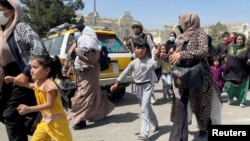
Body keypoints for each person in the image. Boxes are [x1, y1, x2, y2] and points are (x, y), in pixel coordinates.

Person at [161, 12, 222, 140]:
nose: (180, 24)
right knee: (181, 105)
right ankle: (180, 134)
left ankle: (204, 128)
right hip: (182, 76)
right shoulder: (181, 38)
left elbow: (203, 51)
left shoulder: (200, 33)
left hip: (199, 75)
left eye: (181, 21)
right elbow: (175, 58)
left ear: (189, 21)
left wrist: (182, 55)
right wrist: (164, 57)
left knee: (201, 105)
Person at [0, 0, 49, 141]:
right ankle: (39, 129)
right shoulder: (2, 33)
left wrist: (26, 72)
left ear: (12, 11)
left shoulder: (20, 27)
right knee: (7, 114)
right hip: (7, 81)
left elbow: (39, 49)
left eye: (0, 9)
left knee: (10, 115)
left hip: (24, 78)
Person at [4, 55, 73, 141]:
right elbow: (28, 85)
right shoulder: (38, 83)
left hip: (57, 123)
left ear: (47, 70)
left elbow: (49, 105)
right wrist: (14, 79)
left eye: (35, 67)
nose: (31, 70)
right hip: (45, 121)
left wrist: (29, 108)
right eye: (31, 67)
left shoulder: (50, 85)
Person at [64, 26, 115, 130]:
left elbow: (92, 58)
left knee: (83, 95)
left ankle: (80, 120)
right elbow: (69, 57)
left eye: (77, 31)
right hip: (79, 73)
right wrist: (65, 70)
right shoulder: (76, 42)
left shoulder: (90, 42)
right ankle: (103, 110)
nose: (75, 33)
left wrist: (79, 51)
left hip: (90, 72)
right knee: (93, 93)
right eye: (74, 31)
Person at [110, 38, 159, 141]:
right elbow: (125, 73)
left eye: (143, 48)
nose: (140, 50)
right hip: (138, 87)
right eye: (138, 48)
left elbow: (158, 65)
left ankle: (144, 133)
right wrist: (117, 83)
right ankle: (155, 123)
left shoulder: (150, 62)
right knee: (146, 108)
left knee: (144, 108)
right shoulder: (133, 63)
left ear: (146, 50)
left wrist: (159, 56)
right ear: (134, 50)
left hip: (147, 87)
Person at [130, 21, 160, 105]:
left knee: (149, 79)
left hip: (147, 61)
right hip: (138, 62)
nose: (135, 29)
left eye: (137, 27)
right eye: (134, 27)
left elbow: (152, 48)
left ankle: (152, 95)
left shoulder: (146, 37)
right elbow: (133, 51)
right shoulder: (132, 39)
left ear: (140, 28)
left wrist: (153, 60)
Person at [223, 33, 250, 107]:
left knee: (242, 88)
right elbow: (223, 52)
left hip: (241, 72)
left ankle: (242, 101)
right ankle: (230, 98)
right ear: (235, 40)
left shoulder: (246, 49)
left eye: (241, 39)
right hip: (230, 71)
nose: (240, 41)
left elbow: (248, 56)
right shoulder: (230, 46)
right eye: (238, 39)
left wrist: (248, 60)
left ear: (243, 40)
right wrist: (224, 57)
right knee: (228, 86)